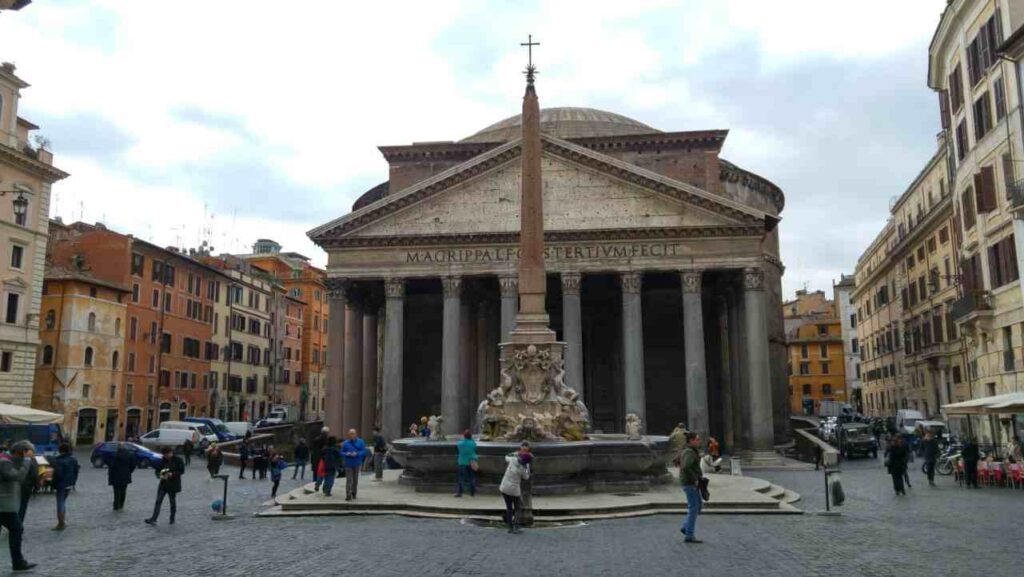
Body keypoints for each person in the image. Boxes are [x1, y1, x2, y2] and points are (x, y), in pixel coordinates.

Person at [0, 440, 37, 572]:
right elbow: (18, 477)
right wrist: (27, 461)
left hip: (4, 505)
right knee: (17, 529)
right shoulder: (4, 462)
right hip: (3, 506)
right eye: (24, 455)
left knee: (16, 529)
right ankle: (18, 563)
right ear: (20, 452)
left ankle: (18, 562)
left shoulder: (6, 460)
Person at [145, 446, 184, 525]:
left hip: (173, 484)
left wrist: (172, 474)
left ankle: (172, 518)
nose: (166, 456)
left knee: (172, 502)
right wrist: (159, 475)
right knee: (158, 501)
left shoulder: (178, 459)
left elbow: (181, 471)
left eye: (167, 455)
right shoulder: (163, 459)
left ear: (171, 452)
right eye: (165, 455)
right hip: (163, 484)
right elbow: (158, 469)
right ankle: (154, 518)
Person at [499, 447, 531, 534]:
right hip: (514, 491)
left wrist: (516, 453)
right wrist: (527, 466)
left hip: (504, 487)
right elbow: (527, 477)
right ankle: (516, 526)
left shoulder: (513, 460)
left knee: (509, 508)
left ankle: (510, 527)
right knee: (518, 508)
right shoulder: (523, 469)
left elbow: (506, 457)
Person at [679, 432, 703, 543]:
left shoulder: (690, 451)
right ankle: (689, 535)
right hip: (690, 483)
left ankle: (686, 527)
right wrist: (695, 479)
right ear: (691, 440)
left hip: (690, 483)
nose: (699, 441)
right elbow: (686, 467)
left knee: (698, 506)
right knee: (694, 508)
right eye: (697, 439)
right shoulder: (689, 452)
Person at [50, 443, 79, 531]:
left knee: (60, 503)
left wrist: (53, 483)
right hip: (69, 484)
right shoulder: (73, 459)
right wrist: (73, 482)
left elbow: (58, 474)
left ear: (60, 451)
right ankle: (62, 522)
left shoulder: (59, 461)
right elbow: (76, 471)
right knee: (63, 502)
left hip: (61, 484)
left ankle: (61, 523)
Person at [342, 429, 368, 501]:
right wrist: (346, 454)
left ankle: (354, 493)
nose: (351, 435)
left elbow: (364, 451)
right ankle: (348, 494)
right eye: (350, 434)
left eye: (353, 433)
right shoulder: (345, 443)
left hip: (357, 463)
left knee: (355, 479)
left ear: (356, 434)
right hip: (348, 463)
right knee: (349, 479)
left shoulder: (360, 442)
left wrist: (357, 454)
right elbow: (341, 452)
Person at [108, 443, 136, 511]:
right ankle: (121, 504)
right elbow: (133, 465)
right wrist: (129, 471)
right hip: (125, 475)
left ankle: (116, 505)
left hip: (116, 476)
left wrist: (110, 475)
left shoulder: (115, 455)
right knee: (123, 491)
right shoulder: (129, 455)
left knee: (116, 492)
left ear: (118, 448)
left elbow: (112, 467)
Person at [456, 429, 478, 497]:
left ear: (464, 436)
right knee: (472, 477)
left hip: (462, 462)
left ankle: (460, 492)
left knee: (461, 478)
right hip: (472, 461)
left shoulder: (460, 443)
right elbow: (475, 448)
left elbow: (458, 448)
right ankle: (472, 492)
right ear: (471, 436)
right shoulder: (473, 443)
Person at [17, 451, 37, 522]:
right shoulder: (30, 461)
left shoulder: (15, 459)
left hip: (16, 486)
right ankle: (19, 524)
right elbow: (34, 475)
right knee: (22, 506)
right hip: (26, 486)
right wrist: (36, 486)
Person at [311, 427, 329, 491]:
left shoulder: (316, 439)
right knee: (324, 472)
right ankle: (322, 486)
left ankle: (315, 484)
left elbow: (313, 450)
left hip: (316, 457)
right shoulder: (327, 440)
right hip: (323, 458)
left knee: (316, 472)